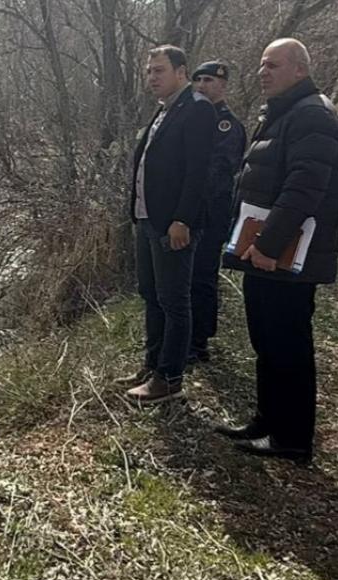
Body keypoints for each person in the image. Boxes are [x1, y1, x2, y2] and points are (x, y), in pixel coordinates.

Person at [217, 38, 338, 462]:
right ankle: (266, 421)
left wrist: (267, 244)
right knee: (267, 341)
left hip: (285, 256)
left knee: (288, 345)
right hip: (264, 253)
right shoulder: (285, 112)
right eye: (261, 64)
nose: (263, 72)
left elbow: (304, 189)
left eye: (273, 65)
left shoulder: (312, 116)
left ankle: (291, 438)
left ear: (300, 70)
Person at [120, 45, 216, 403]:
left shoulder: (197, 109)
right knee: (151, 294)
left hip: (173, 224)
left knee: (174, 301)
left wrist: (182, 219)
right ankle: (152, 365)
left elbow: (198, 172)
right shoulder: (165, 110)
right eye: (149, 71)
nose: (151, 77)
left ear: (181, 71)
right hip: (148, 218)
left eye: (159, 70)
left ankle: (170, 378)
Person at [188, 61, 246, 364]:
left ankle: (199, 343)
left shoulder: (227, 125)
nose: (201, 86)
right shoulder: (193, 119)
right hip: (188, 213)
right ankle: (184, 335)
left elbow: (220, 172)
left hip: (211, 214)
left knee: (202, 276)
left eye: (208, 80)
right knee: (185, 277)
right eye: (197, 80)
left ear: (222, 85)